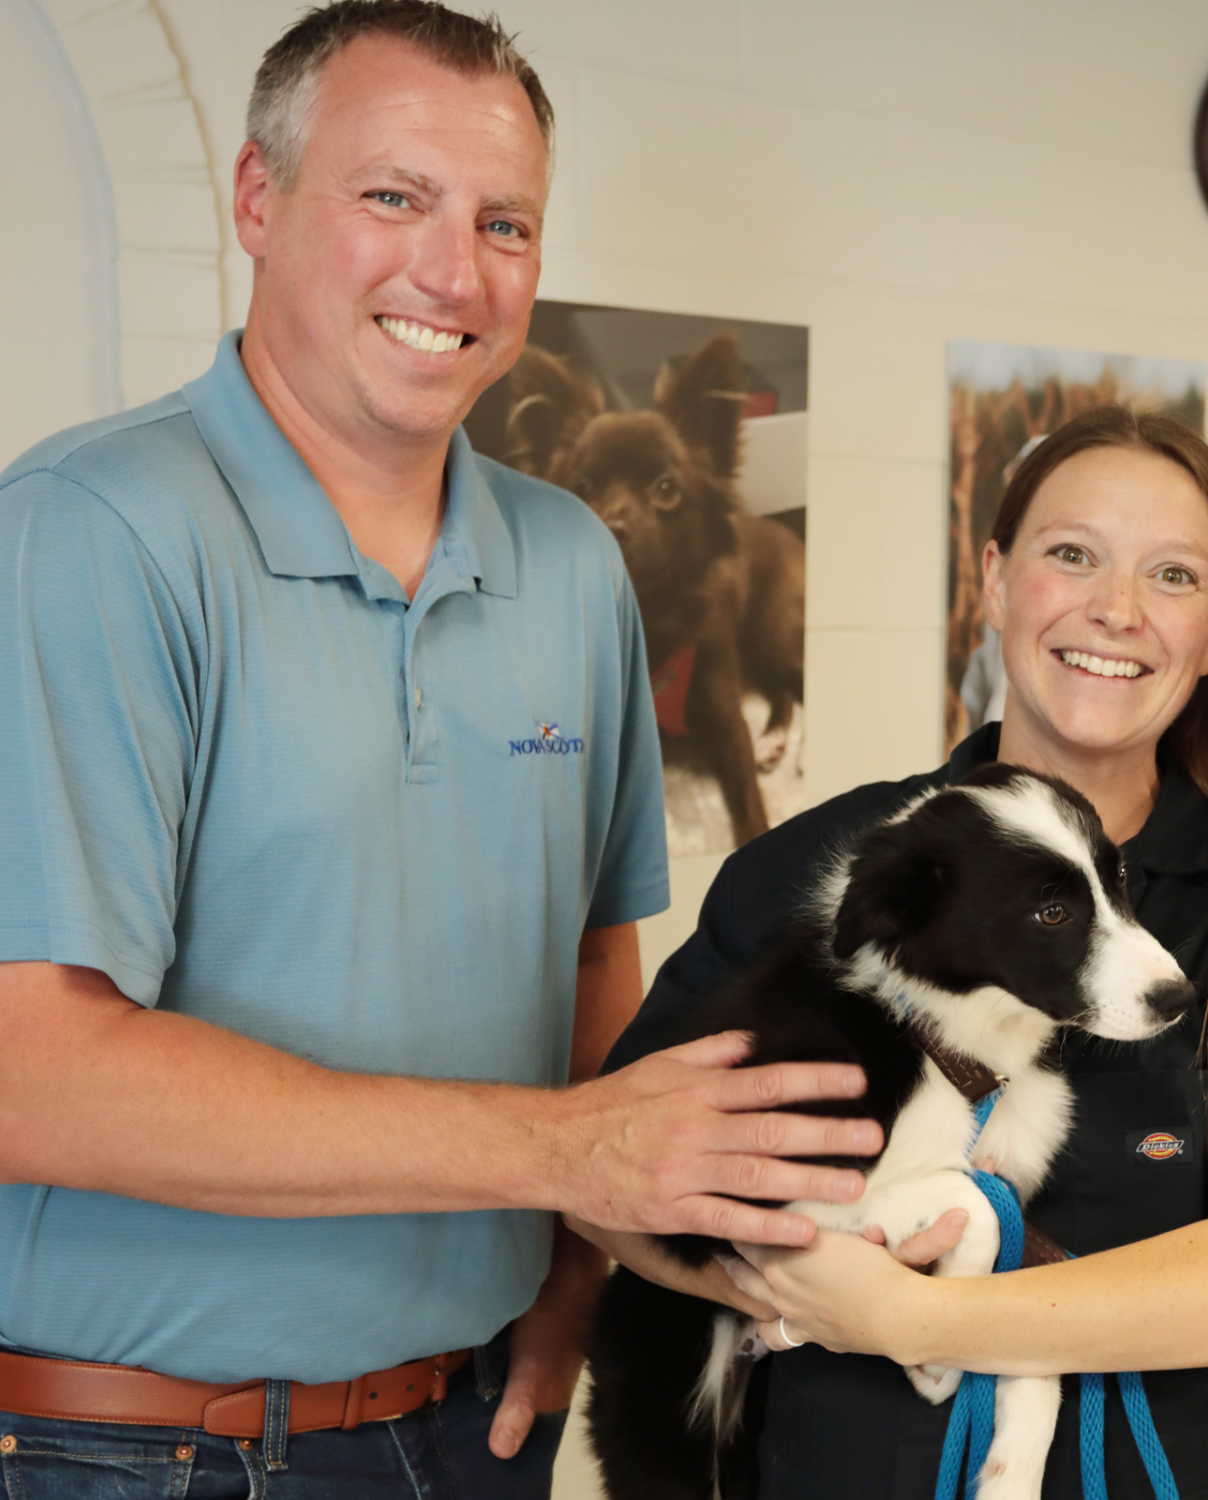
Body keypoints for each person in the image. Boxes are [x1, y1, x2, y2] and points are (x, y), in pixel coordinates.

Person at [0, 3, 883, 1494]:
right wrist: (558, 1158)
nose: (453, 271)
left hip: (475, 1427)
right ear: (259, 201)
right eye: (393, 196)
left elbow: (596, 968)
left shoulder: (572, 566)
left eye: (506, 222)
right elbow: (40, 1071)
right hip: (147, 1447)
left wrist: (573, 1279)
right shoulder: (93, 532)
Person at [578, 405, 1208, 1500]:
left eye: (1171, 576)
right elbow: (612, 1176)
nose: (1115, 610)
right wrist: (796, 1274)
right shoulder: (832, 872)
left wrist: (921, 1317)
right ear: (993, 582)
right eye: (1070, 554)